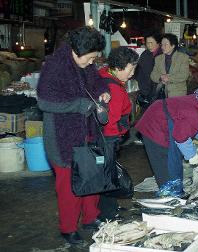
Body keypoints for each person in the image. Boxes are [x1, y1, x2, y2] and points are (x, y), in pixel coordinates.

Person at [37, 26, 110, 245]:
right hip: (62, 137)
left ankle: (91, 217)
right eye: (90, 58)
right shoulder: (55, 67)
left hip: (87, 131)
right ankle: (68, 228)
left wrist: (102, 91)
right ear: (76, 51)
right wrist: (79, 105)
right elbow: (45, 102)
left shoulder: (84, 64)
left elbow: (96, 81)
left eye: (94, 58)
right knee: (69, 186)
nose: (92, 62)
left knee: (91, 176)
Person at [134, 87, 198, 196]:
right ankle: (169, 196)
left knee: (172, 160)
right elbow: (181, 136)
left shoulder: (197, 103)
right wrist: (191, 155)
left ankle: (173, 191)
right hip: (155, 128)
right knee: (166, 163)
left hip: (159, 119)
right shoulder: (194, 111)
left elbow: (187, 123)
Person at [97, 46, 139, 221]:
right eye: (131, 69)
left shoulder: (106, 76)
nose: (132, 74)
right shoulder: (112, 87)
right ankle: (108, 214)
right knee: (107, 176)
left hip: (104, 137)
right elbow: (110, 120)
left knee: (108, 173)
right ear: (119, 67)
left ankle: (111, 207)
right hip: (107, 137)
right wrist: (113, 139)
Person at [150, 33, 189, 98]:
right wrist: (160, 78)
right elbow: (153, 75)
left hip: (178, 93)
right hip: (161, 93)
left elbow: (184, 75)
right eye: (162, 44)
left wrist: (168, 78)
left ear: (173, 45)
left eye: (166, 44)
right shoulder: (158, 58)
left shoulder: (183, 57)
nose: (162, 47)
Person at [134, 33, 162, 110]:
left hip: (156, 91)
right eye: (147, 43)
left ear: (158, 43)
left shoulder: (163, 55)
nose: (149, 45)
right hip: (143, 89)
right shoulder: (145, 54)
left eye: (151, 43)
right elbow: (137, 69)